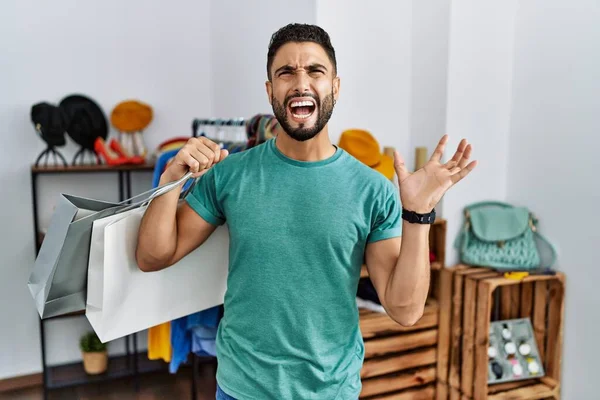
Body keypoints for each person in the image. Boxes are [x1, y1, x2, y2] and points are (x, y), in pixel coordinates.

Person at [136, 23, 477, 400]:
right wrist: (171, 179)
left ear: (335, 86)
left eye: (315, 71)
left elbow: (405, 309)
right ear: (270, 91)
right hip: (241, 389)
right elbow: (153, 256)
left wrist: (418, 213)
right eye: (286, 73)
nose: (301, 83)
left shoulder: (372, 190)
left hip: (331, 391)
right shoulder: (230, 175)